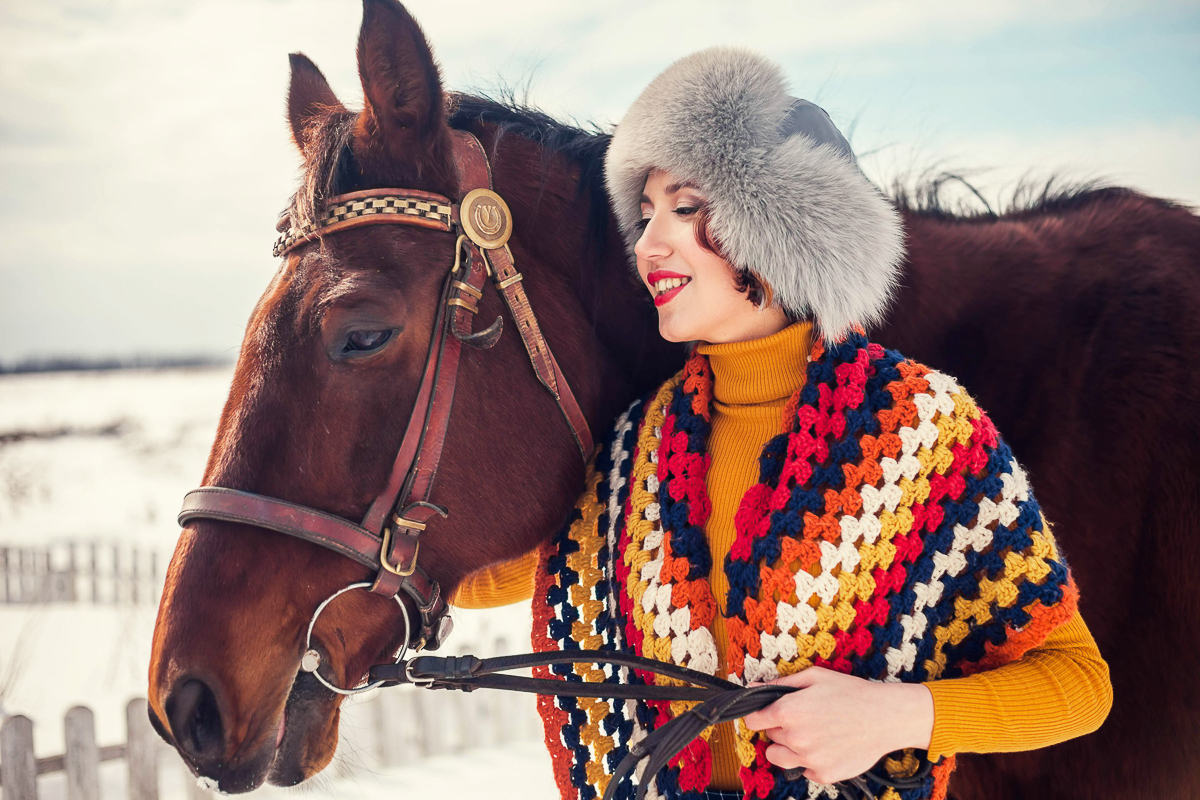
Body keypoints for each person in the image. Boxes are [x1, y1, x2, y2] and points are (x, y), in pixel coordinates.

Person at [454, 48, 1111, 800]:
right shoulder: (631, 454)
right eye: (643, 216)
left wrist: (895, 716)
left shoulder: (919, 433)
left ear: (785, 222)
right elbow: (478, 574)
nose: (648, 243)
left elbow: (1078, 684)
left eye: (687, 207)